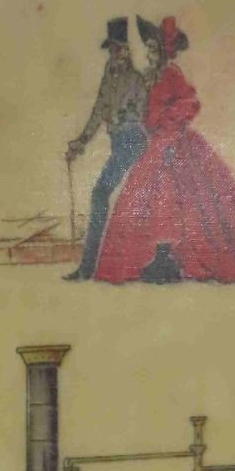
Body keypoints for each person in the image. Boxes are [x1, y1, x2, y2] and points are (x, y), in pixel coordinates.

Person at [94, 15, 235, 286]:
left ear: (162, 52)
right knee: (147, 199)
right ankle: (159, 257)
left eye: (153, 49)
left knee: (174, 197)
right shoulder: (150, 78)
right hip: (156, 143)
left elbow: (190, 103)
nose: (149, 54)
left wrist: (167, 123)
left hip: (176, 143)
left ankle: (172, 258)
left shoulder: (171, 73)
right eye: (148, 49)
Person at [64, 18, 148, 280]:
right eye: (111, 50)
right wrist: (80, 143)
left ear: (126, 50)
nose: (113, 54)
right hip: (119, 144)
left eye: (117, 49)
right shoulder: (108, 77)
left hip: (133, 142)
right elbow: (98, 112)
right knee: (102, 196)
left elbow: (143, 114)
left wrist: (123, 118)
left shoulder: (136, 79)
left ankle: (94, 268)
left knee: (104, 194)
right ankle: (88, 267)